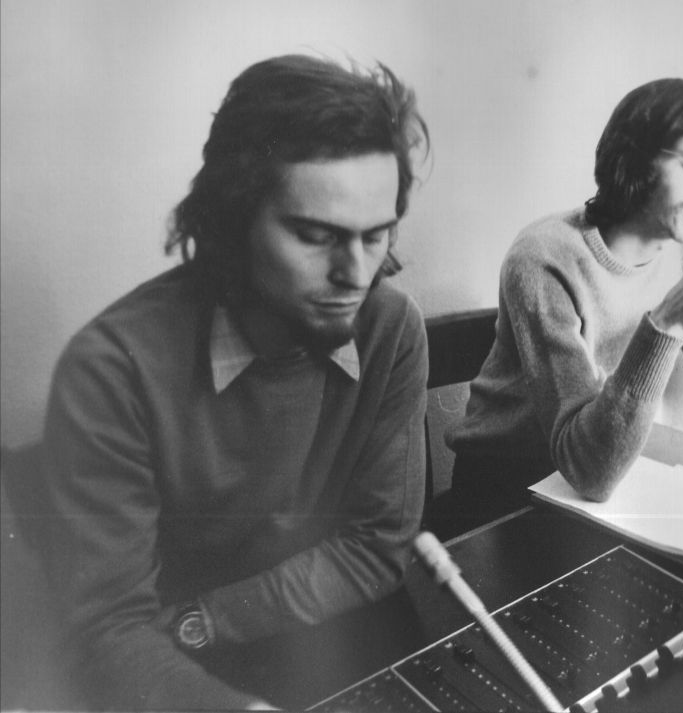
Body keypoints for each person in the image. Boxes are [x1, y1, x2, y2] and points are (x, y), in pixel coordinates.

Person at [38, 54, 430, 710]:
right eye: (316, 235)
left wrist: (209, 616)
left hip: (325, 636)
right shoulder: (110, 370)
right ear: (232, 220)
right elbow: (108, 632)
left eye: (376, 235)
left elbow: (379, 544)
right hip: (177, 671)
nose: (356, 274)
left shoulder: (392, 328)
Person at [443, 78, 683, 533]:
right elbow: (588, 471)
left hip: (597, 478)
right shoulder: (542, 257)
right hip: (502, 495)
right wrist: (668, 324)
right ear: (633, 159)